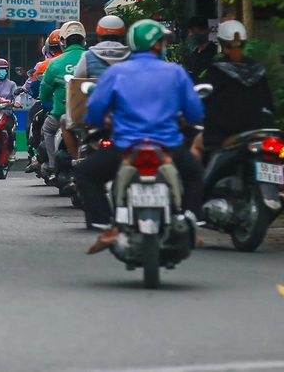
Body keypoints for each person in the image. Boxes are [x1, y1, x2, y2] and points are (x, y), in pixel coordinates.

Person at [75, 19, 205, 253]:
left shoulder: (116, 72)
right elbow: (195, 113)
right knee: (195, 173)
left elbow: (94, 113)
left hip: (126, 147)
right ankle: (189, 219)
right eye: (163, 41)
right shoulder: (175, 72)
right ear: (155, 45)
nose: (164, 45)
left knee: (85, 174)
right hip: (168, 146)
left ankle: (107, 224)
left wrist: (102, 120)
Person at [191, 20, 275, 159]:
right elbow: (269, 104)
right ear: (244, 42)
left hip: (223, 133)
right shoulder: (258, 69)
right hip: (259, 131)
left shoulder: (215, 70)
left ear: (221, 42)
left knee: (196, 144)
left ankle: (195, 181)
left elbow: (203, 101)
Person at [38, 20, 88, 180]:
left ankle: (52, 165)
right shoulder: (92, 58)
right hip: (91, 114)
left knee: (48, 129)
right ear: (83, 40)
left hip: (62, 114)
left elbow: (44, 93)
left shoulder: (55, 64)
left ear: (63, 42)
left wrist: (48, 101)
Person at [24, 29, 63, 172]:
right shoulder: (84, 59)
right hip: (79, 109)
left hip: (54, 109)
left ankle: (39, 155)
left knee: (41, 124)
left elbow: (35, 88)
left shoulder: (46, 64)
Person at [74, 14, 130, 78]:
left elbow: (76, 80)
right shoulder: (131, 56)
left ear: (99, 37)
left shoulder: (88, 56)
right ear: (122, 37)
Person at [180, 14, 216, 82]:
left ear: (207, 31)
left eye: (195, 32)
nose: (191, 35)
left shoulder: (215, 52)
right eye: (191, 32)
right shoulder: (192, 55)